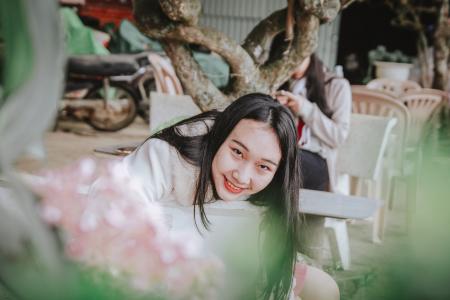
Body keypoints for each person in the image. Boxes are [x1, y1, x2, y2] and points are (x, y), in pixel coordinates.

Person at [121, 93, 339, 299]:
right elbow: (117, 213)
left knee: (325, 288)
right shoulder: (170, 157)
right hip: (169, 267)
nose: (242, 177)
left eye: (263, 166)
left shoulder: (273, 190)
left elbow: (272, 265)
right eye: (237, 152)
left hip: (243, 266)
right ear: (220, 137)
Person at [274, 53, 352, 192]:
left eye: (298, 56)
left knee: (285, 162)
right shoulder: (278, 83)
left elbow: (339, 137)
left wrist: (305, 109)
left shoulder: (337, 85)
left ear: (309, 53)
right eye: (286, 58)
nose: (293, 63)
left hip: (318, 158)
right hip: (284, 150)